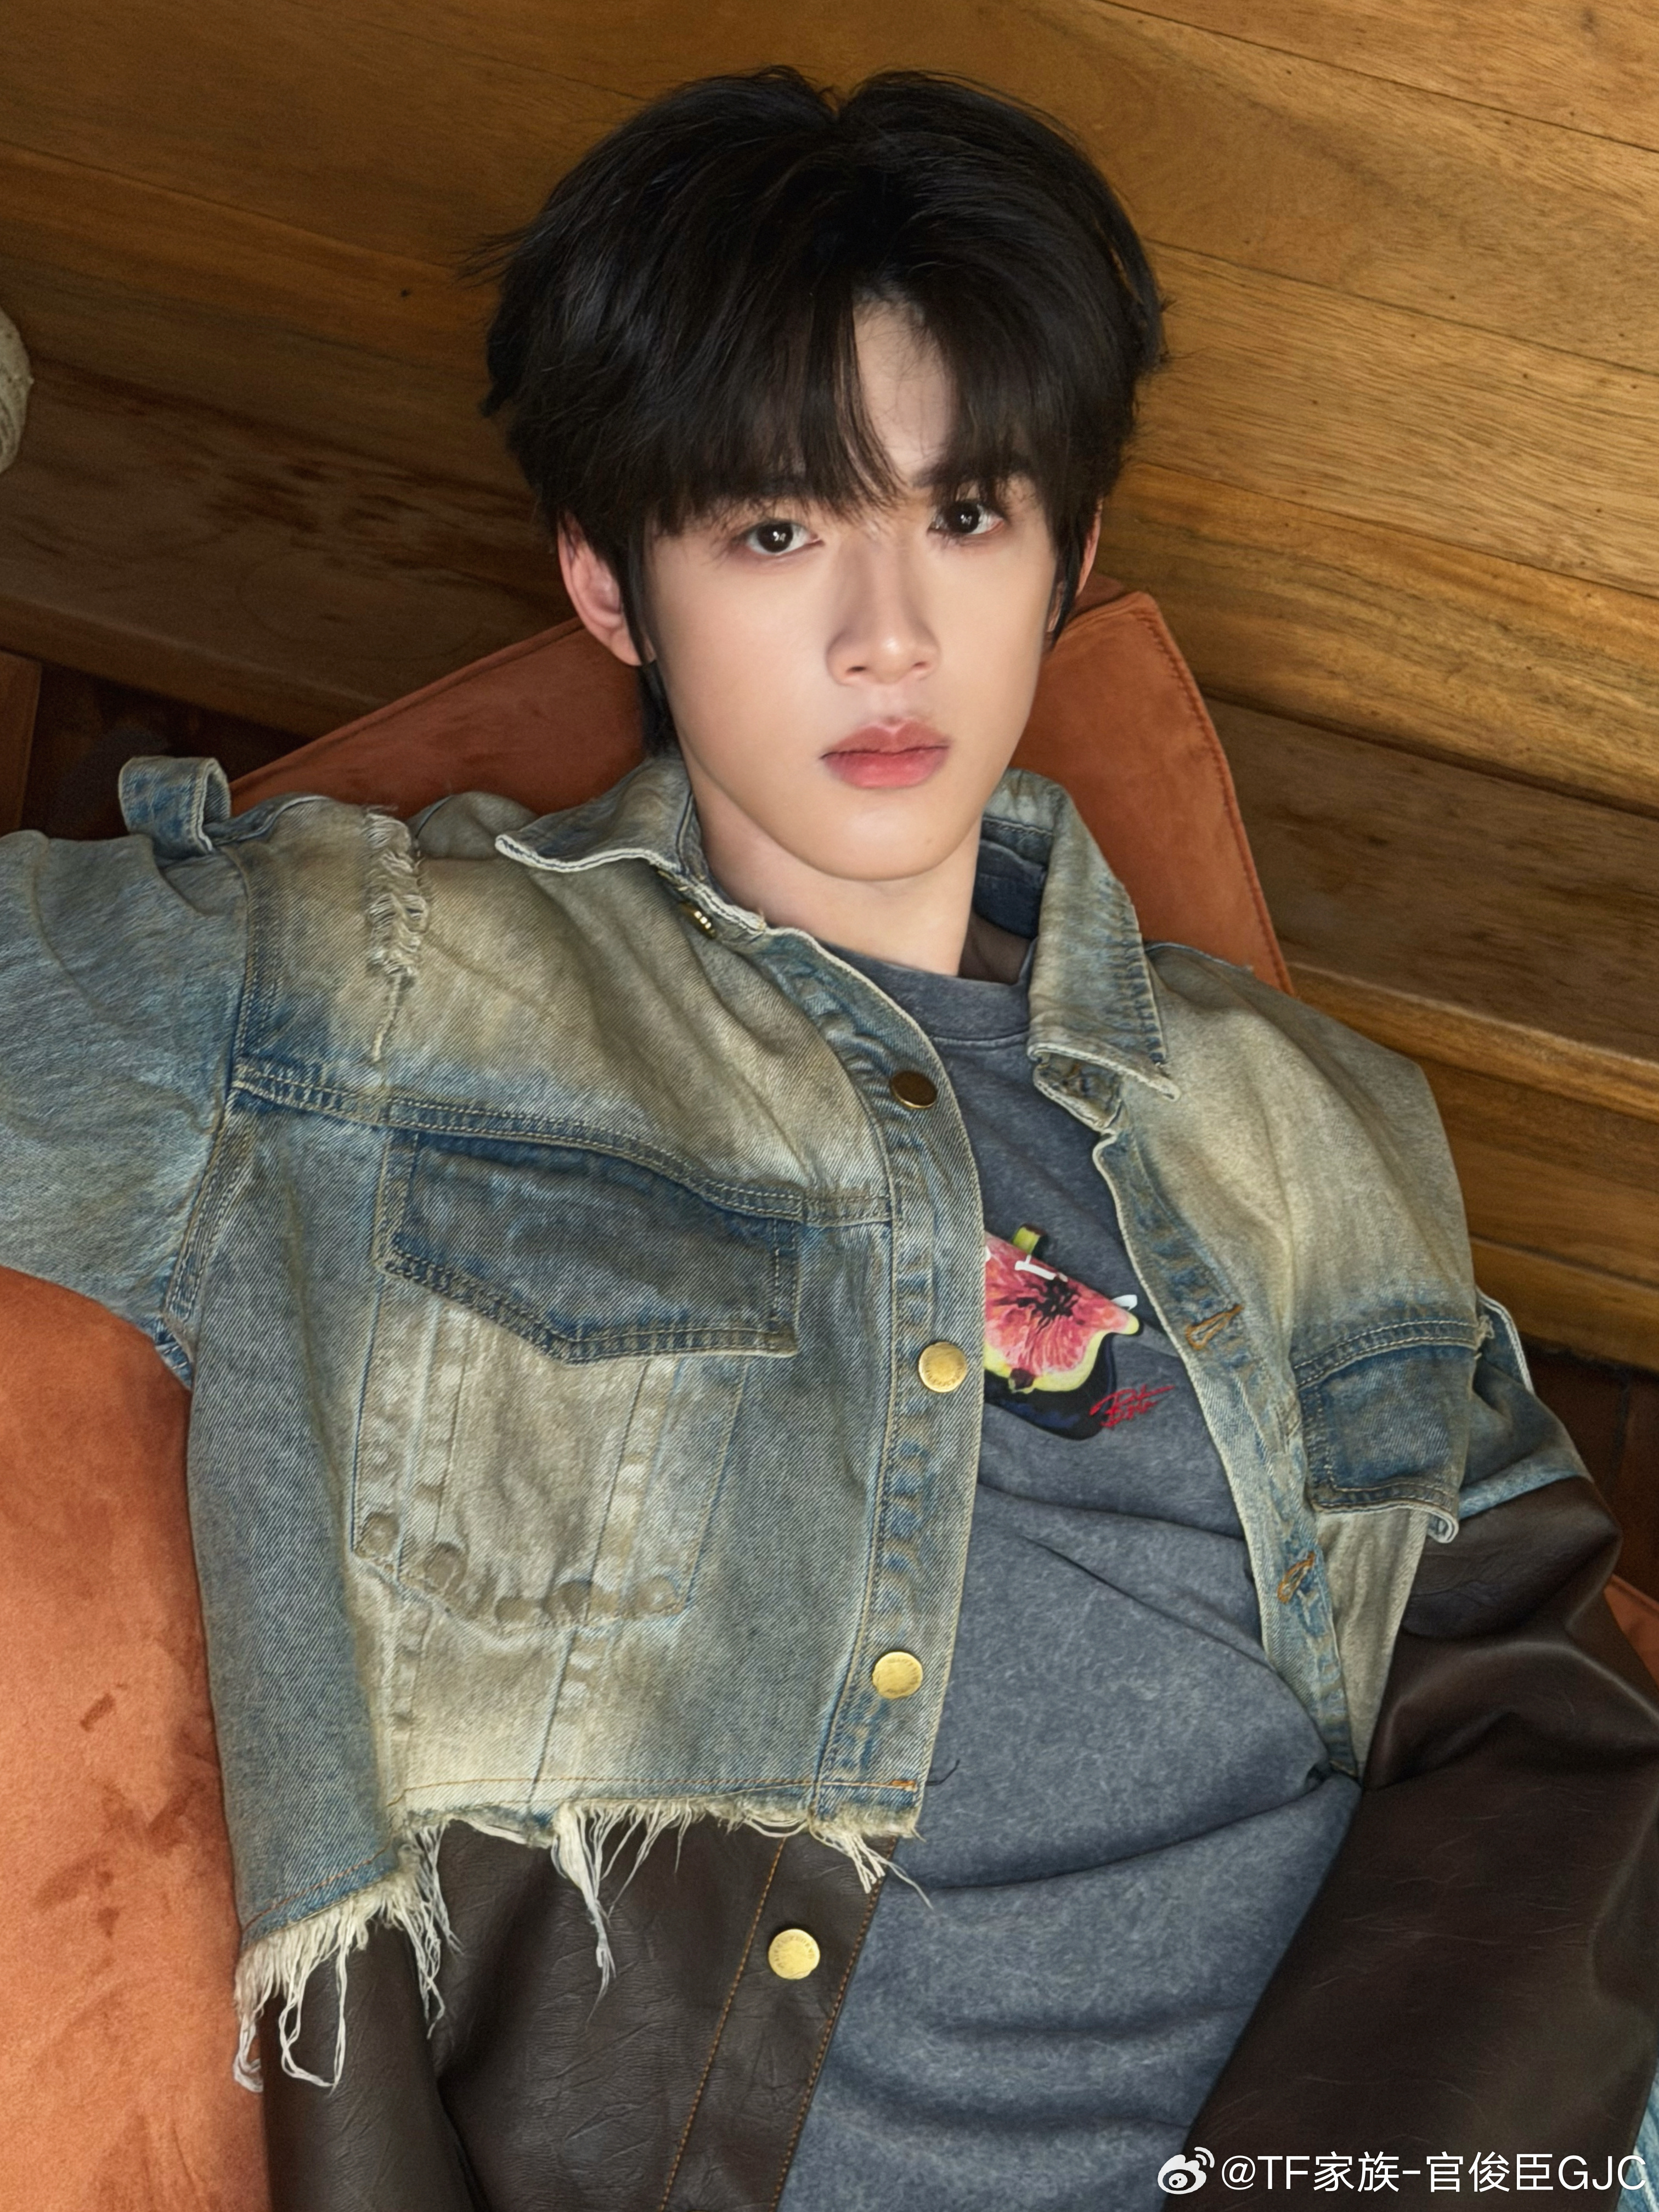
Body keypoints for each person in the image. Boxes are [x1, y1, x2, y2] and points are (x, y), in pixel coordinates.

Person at [3, 66, 1658, 2212]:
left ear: (1070, 557)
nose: (890, 637)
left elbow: (1546, 1720)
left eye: (965, 517)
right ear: (612, 584)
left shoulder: (1305, 1117)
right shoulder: (346, 986)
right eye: (778, 531)